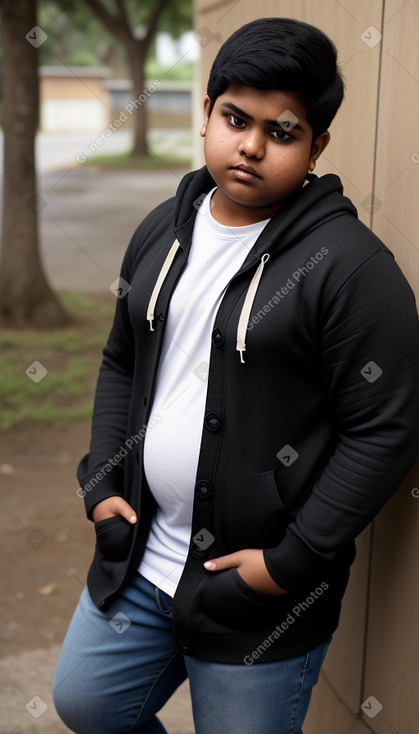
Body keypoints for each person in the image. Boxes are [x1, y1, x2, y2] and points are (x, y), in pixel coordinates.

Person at [53, 16, 419, 734]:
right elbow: (122, 357)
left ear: (316, 145)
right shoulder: (163, 229)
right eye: (234, 118)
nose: (250, 145)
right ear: (207, 114)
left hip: (256, 598)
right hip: (138, 563)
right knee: (86, 706)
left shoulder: (350, 269)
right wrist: (101, 480)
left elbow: (384, 429)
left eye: (280, 132)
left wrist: (290, 563)